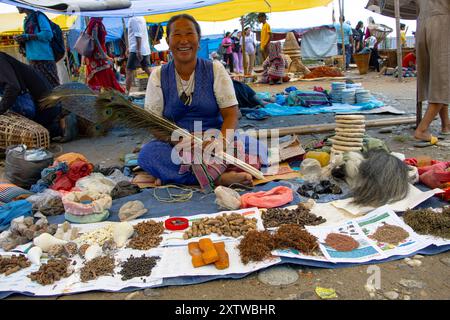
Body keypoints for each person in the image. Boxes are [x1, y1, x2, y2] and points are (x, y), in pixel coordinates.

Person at [141, 14, 267, 190]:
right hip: (176, 145)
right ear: (168, 42)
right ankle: (218, 178)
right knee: (149, 154)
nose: (183, 40)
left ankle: (183, 177)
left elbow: (231, 114)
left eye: (189, 34)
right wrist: (178, 141)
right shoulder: (158, 75)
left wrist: (220, 142)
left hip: (214, 141)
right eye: (177, 35)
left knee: (254, 147)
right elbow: (153, 123)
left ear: (198, 40)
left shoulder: (215, 69)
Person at [0, 52, 75, 142]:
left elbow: (13, 87)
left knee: (29, 137)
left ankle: (61, 124)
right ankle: (60, 124)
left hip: (43, 107)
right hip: (44, 107)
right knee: (37, 136)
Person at [414, 0, 450, 143]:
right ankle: (422, 130)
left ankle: (446, 124)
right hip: (442, 23)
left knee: (436, 77)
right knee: (443, 78)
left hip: (422, 24)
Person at [14, 7, 59, 88]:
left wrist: (28, 37)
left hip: (44, 59)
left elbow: (48, 34)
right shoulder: (27, 20)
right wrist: (22, 38)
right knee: (41, 88)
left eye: (18, 4)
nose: (16, 6)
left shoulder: (38, 16)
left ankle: (60, 101)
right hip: (33, 59)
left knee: (53, 87)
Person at [84, 18, 124, 93]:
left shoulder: (95, 22)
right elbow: (95, 38)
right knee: (104, 73)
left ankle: (103, 93)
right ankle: (105, 93)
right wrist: (104, 55)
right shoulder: (95, 22)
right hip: (97, 55)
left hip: (98, 54)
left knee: (104, 73)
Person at [125, 16, 151, 94]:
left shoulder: (134, 19)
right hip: (143, 48)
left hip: (136, 50)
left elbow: (138, 35)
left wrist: (138, 50)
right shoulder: (141, 18)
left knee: (129, 71)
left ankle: (127, 93)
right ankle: (160, 86)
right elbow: (137, 35)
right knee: (146, 69)